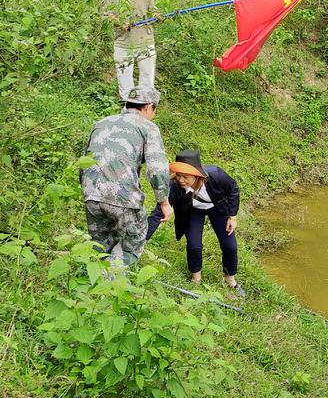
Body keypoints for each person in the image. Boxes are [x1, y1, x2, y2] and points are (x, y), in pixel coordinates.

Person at [80, 86, 172, 266]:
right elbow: (157, 168)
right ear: (148, 107)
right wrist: (164, 202)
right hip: (122, 197)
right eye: (154, 110)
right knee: (133, 242)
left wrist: (88, 191)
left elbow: (84, 161)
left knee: (100, 245)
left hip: (91, 193)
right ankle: (112, 286)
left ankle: (96, 285)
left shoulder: (101, 123)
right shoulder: (148, 127)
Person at [147, 150, 245, 297]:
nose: (181, 180)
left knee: (230, 246)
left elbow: (233, 189)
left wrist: (233, 217)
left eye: (185, 177)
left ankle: (230, 279)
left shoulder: (216, 175)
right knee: (194, 245)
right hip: (193, 211)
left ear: (197, 175)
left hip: (217, 208)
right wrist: (141, 239)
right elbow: (158, 213)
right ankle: (196, 280)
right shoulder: (174, 186)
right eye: (178, 175)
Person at [103, 0, 162, 101]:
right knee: (124, 79)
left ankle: (145, 107)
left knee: (147, 79)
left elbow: (153, 10)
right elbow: (105, 14)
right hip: (123, 43)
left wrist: (157, 16)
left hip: (145, 42)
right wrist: (119, 22)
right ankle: (127, 108)